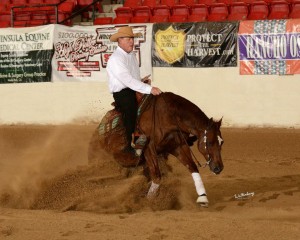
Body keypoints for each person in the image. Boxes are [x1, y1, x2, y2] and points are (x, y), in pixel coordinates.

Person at [106, 26, 162, 155]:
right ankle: (128, 144)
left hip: (131, 88)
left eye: (131, 38)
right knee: (131, 109)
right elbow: (127, 80)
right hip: (122, 93)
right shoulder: (116, 59)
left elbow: (132, 78)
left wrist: (141, 81)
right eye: (127, 39)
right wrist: (149, 88)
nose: (131, 41)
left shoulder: (130, 55)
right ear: (119, 40)